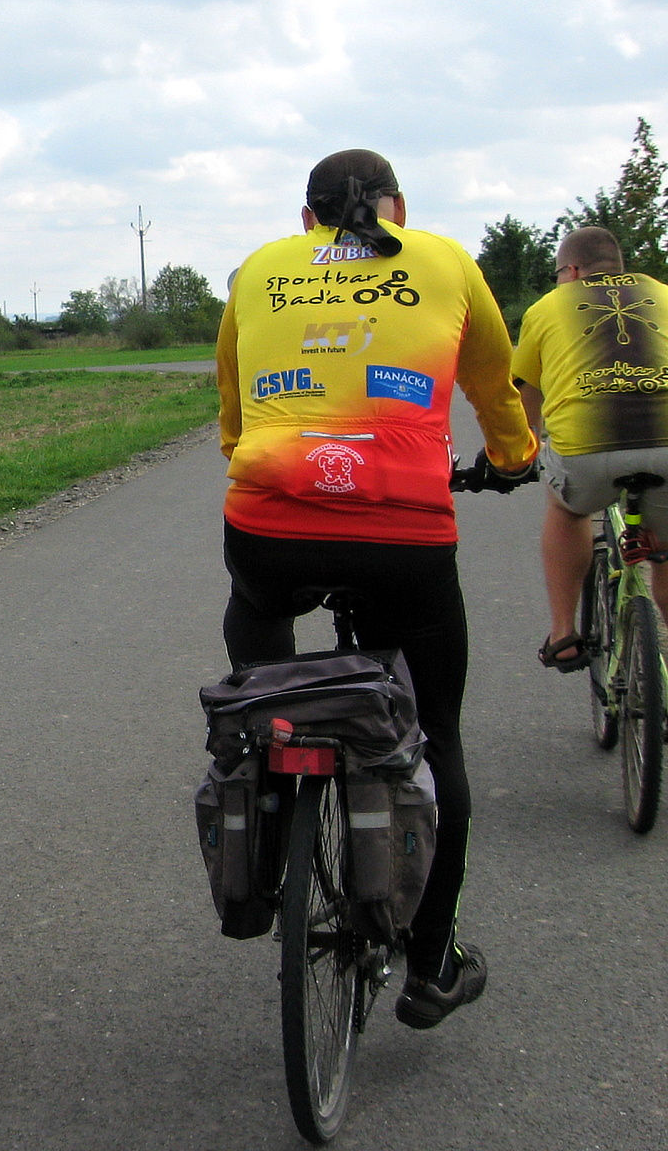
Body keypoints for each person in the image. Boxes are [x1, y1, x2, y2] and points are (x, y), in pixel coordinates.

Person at [215, 149, 538, 1029]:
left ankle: (265, 824)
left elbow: (234, 420)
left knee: (260, 655)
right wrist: (514, 459)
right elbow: (495, 393)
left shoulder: (261, 268)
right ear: (398, 207)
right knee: (437, 737)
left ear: (306, 216)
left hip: (271, 526)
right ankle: (431, 964)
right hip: (404, 533)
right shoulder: (445, 260)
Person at [511, 225, 668, 670]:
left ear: (573, 270)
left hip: (586, 451)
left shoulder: (547, 307)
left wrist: (521, 452)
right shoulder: (662, 293)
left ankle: (563, 633)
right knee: (665, 546)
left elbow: (525, 392)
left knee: (567, 509)